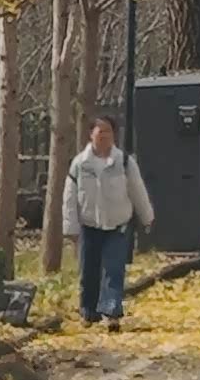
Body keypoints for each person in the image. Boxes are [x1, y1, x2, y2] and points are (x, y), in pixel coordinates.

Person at [59, 112, 153, 328]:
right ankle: (88, 312)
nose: (104, 136)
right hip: (89, 224)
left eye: (109, 132)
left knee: (114, 269)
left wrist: (146, 216)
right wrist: (70, 228)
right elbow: (69, 198)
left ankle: (112, 313)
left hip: (118, 224)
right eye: (100, 131)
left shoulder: (124, 162)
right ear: (90, 134)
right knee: (89, 271)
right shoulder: (80, 164)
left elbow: (137, 190)